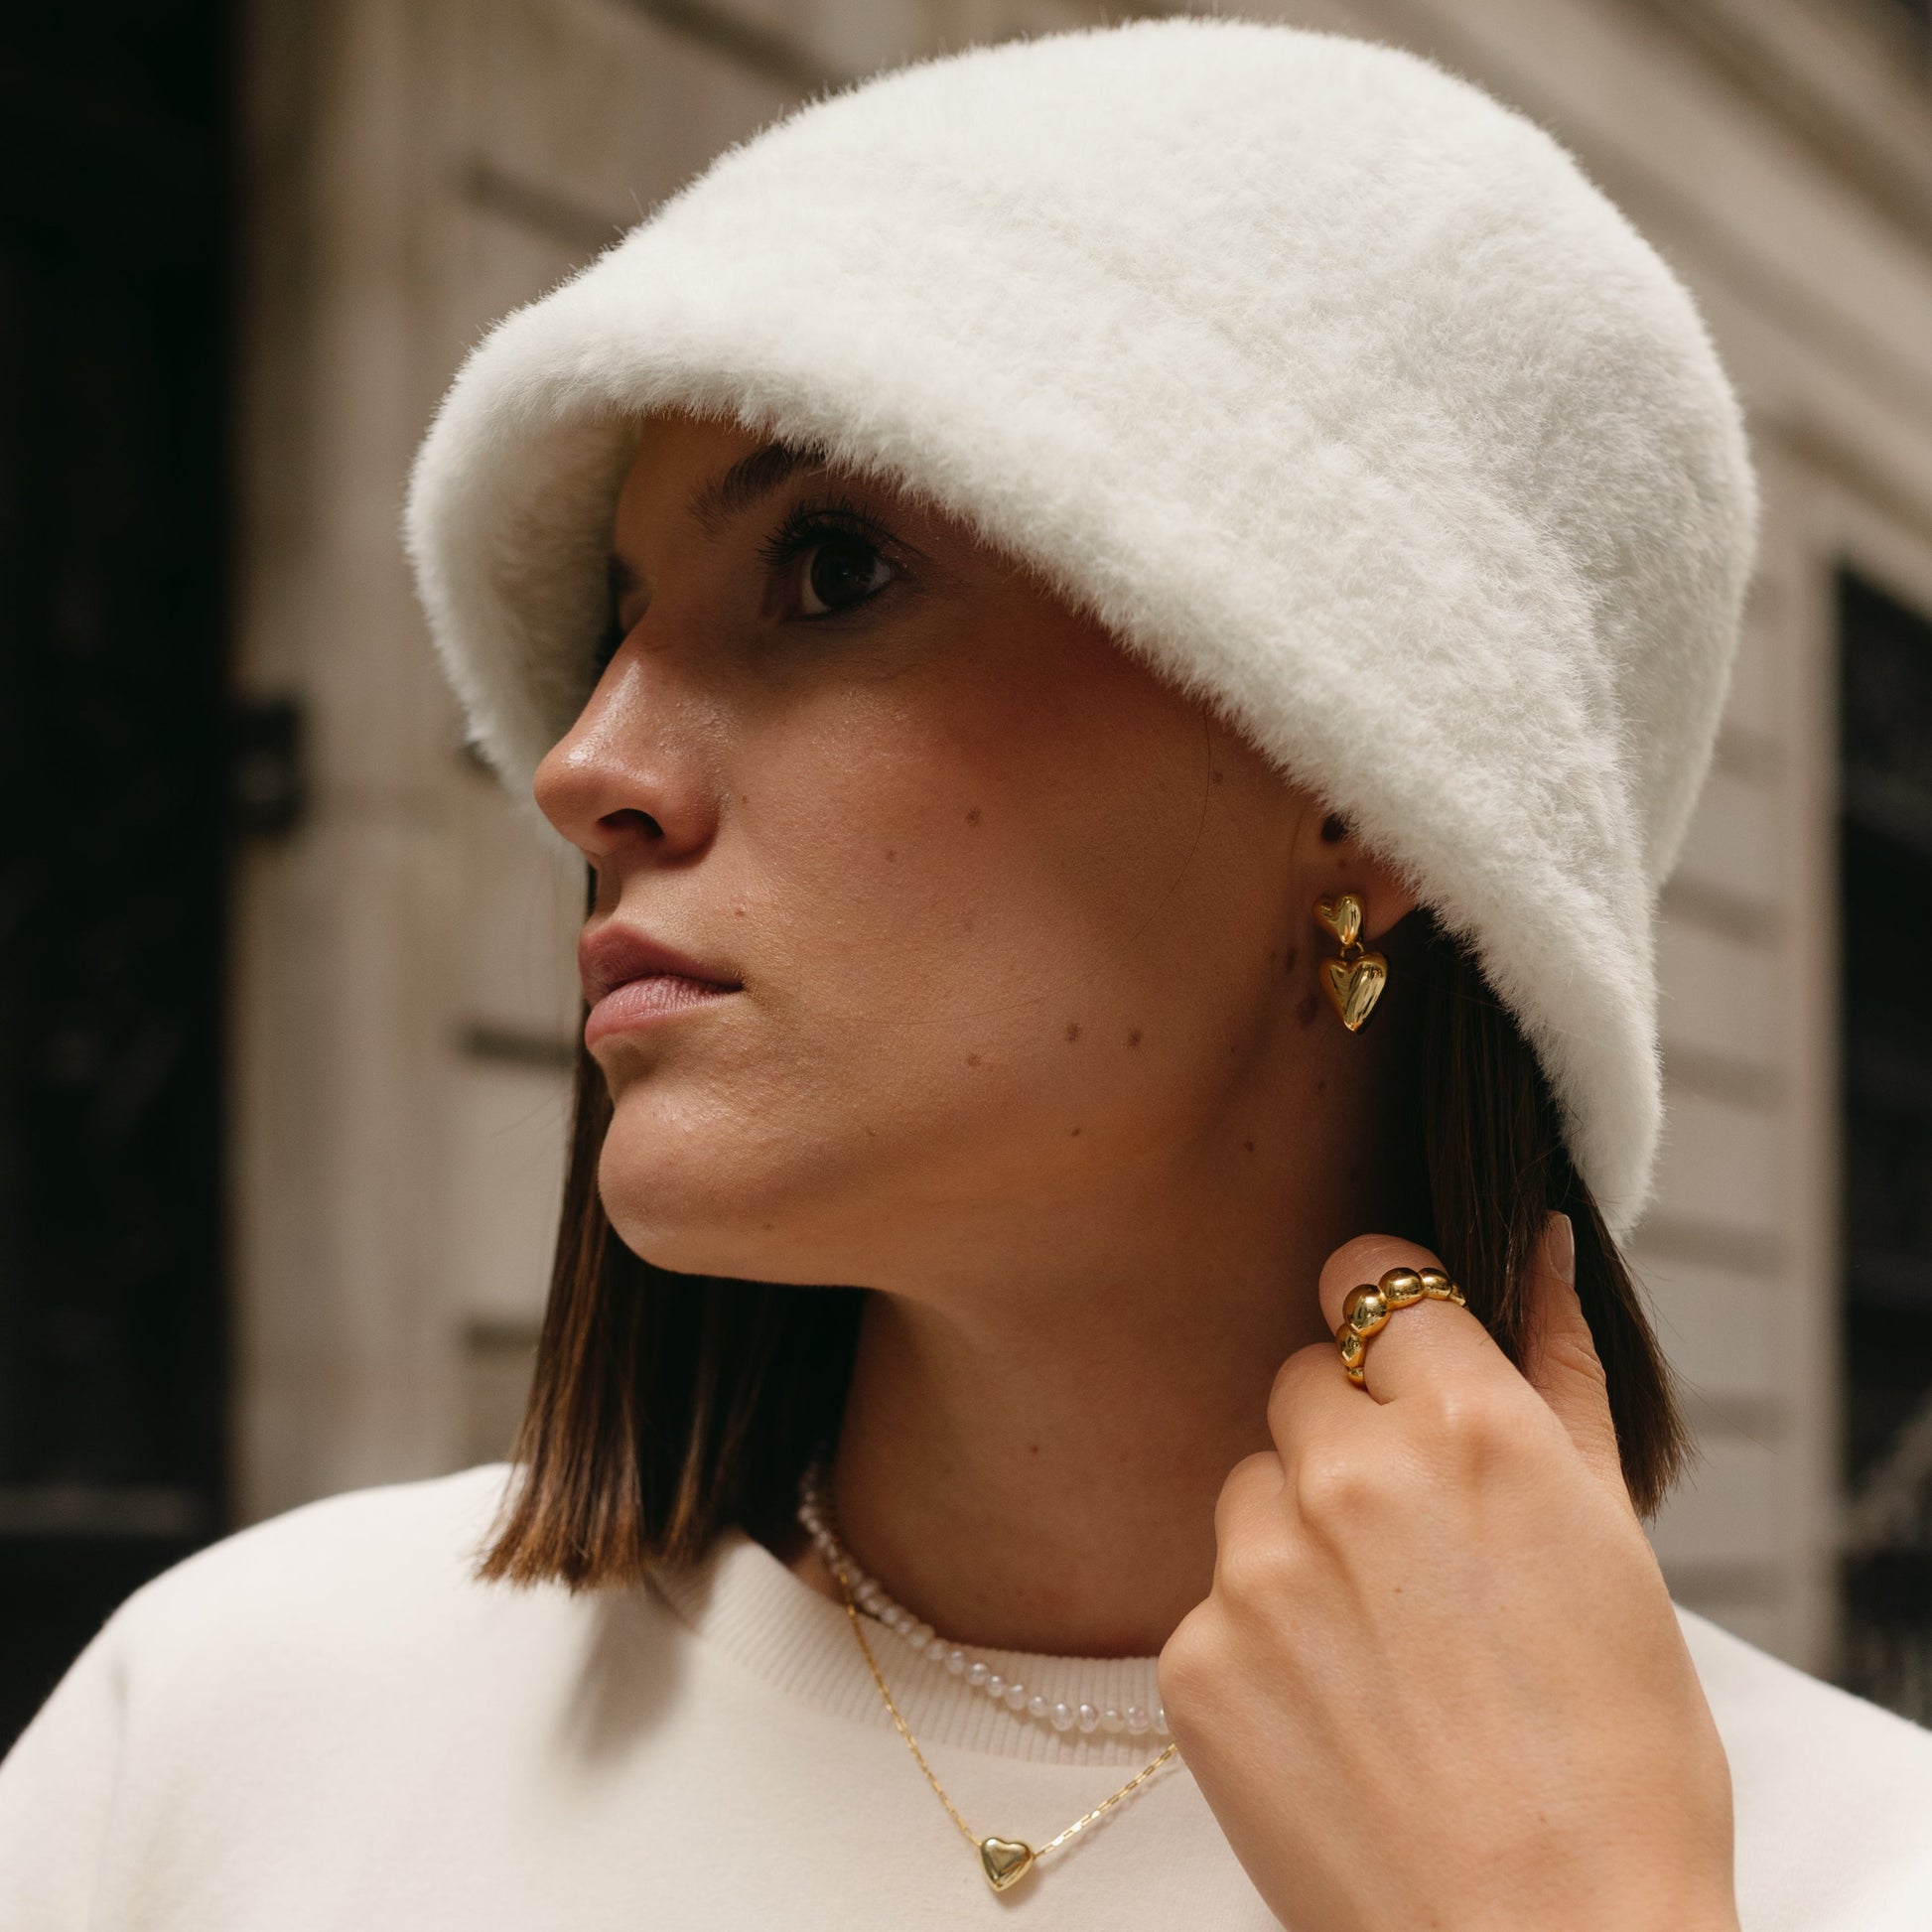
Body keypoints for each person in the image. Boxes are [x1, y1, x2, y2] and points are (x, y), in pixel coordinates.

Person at [4, 18, 1929, 1930]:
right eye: (617, 621)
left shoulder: (1849, 1864)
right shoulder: (225, 1735)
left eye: (832, 569)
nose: (584, 764)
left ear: (1364, 794)